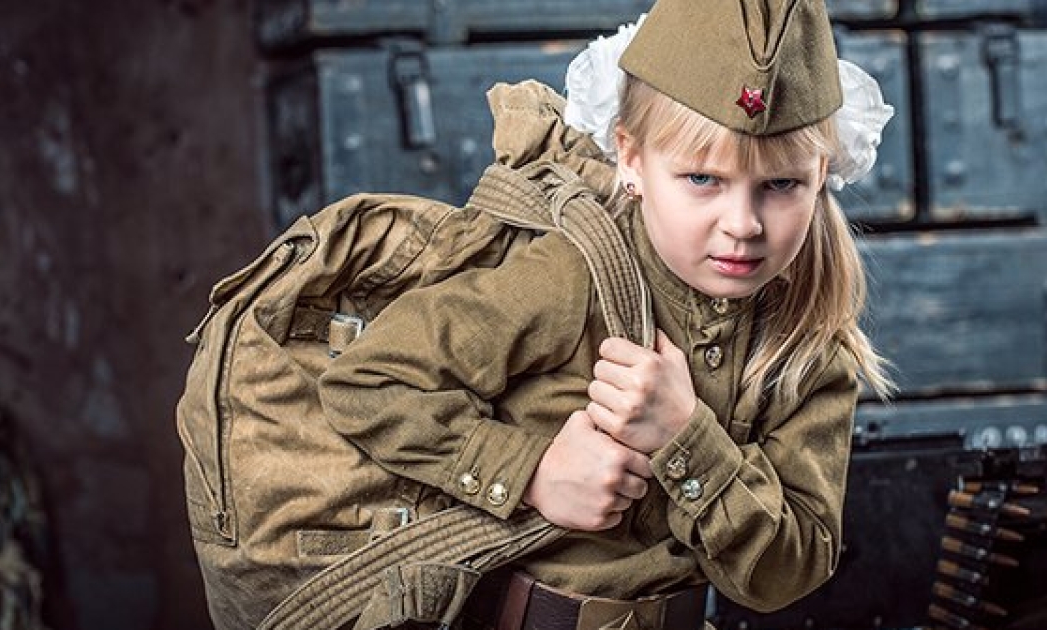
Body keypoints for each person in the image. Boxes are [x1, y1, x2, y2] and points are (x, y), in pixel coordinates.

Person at [317, 0, 895, 626]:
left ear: (822, 176)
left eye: (782, 185)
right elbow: (365, 382)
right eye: (703, 178)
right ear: (631, 158)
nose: (742, 225)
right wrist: (533, 473)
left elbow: (789, 571)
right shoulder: (572, 277)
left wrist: (684, 434)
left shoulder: (809, 348)